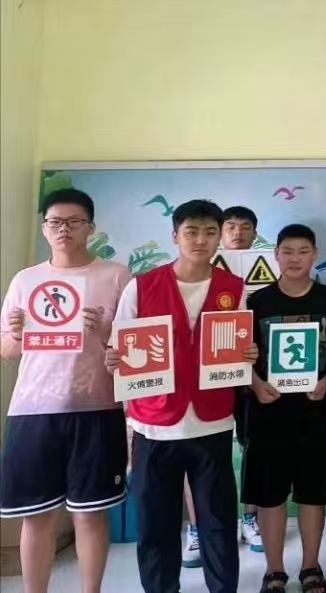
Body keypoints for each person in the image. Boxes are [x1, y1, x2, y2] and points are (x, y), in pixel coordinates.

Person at [106, 199, 258, 593]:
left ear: (219, 237)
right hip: (154, 426)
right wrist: (113, 358)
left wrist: (248, 354)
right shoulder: (142, 286)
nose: (201, 240)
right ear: (175, 236)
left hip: (212, 422)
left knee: (218, 522)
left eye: (210, 232)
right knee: (156, 525)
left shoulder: (233, 288)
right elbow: (120, 348)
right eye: (192, 231)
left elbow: (238, 346)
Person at [0, 189, 131, 593]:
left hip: (97, 409)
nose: (64, 230)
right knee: (36, 516)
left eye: (74, 222)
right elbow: (6, 348)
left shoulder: (117, 276)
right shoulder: (26, 280)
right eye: (55, 222)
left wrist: (106, 333)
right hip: (32, 410)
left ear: (91, 227)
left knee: (90, 515)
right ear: (44, 228)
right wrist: (17, 335)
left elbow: (135, 348)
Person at [244, 224, 326, 593]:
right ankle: (274, 571)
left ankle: (310, 567)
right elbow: (239, 357)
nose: (294, 258)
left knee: (312, 494)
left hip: (315, 416)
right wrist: (256, 385)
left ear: (314, 255)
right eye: (287, 251)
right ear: (275, 254)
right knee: (270, 496)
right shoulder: (257, 303)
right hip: (268, 413)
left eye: (303, 251)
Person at [178, 204, 264, 569]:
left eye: (245, 227)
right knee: (195, 457)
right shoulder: (189, 274)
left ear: (255, 233)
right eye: (230, 227)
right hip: (197, 385)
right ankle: (197, 528)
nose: (237, 233)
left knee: (251, 450)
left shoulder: (265, 271)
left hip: (249, 375)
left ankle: (249, 518)